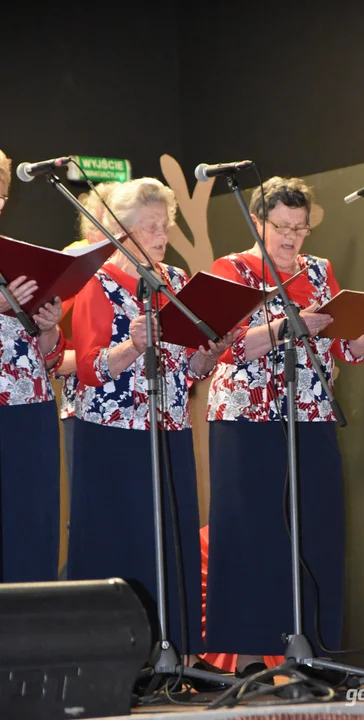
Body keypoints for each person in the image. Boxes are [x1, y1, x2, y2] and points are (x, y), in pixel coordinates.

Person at [204, 176, 364, 676]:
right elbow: (225, 346)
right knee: (251, 533)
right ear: (258, 222)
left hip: (311, 413)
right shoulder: (232, 269)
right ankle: (249, 659)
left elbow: (341, 347)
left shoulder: (320, 271)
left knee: (317, 528)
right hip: (247, 420)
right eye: (281, 227)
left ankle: (316, 651)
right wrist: (284, 327)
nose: (292, 237)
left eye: (300, 228)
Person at [67, 177, 233, 664]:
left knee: (170, 538)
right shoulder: (94, 281)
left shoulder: (178, 281)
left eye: (166, 225)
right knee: (119, 539)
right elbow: (89, 367)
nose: (162, 236)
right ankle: (115, 659)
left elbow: (190, 370)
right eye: (150, 227)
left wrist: (210, 355)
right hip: (112, 436)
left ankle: (172, 654)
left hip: (170, 429)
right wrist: (134, 345)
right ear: (121, 231)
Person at [0, 148, 63, 582]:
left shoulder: (12, 256)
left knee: (30, 524)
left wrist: (49, 329)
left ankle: (28, 640)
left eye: (1, 194)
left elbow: (51, 356)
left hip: (30, 407)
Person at [58, 181, 118, 492]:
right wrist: (88, 362)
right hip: (86, 406)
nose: (102, 234)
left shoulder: (151, 273)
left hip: (144, 406)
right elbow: (43, 344)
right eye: (95, 224)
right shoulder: (74, 266)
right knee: (92, 503)